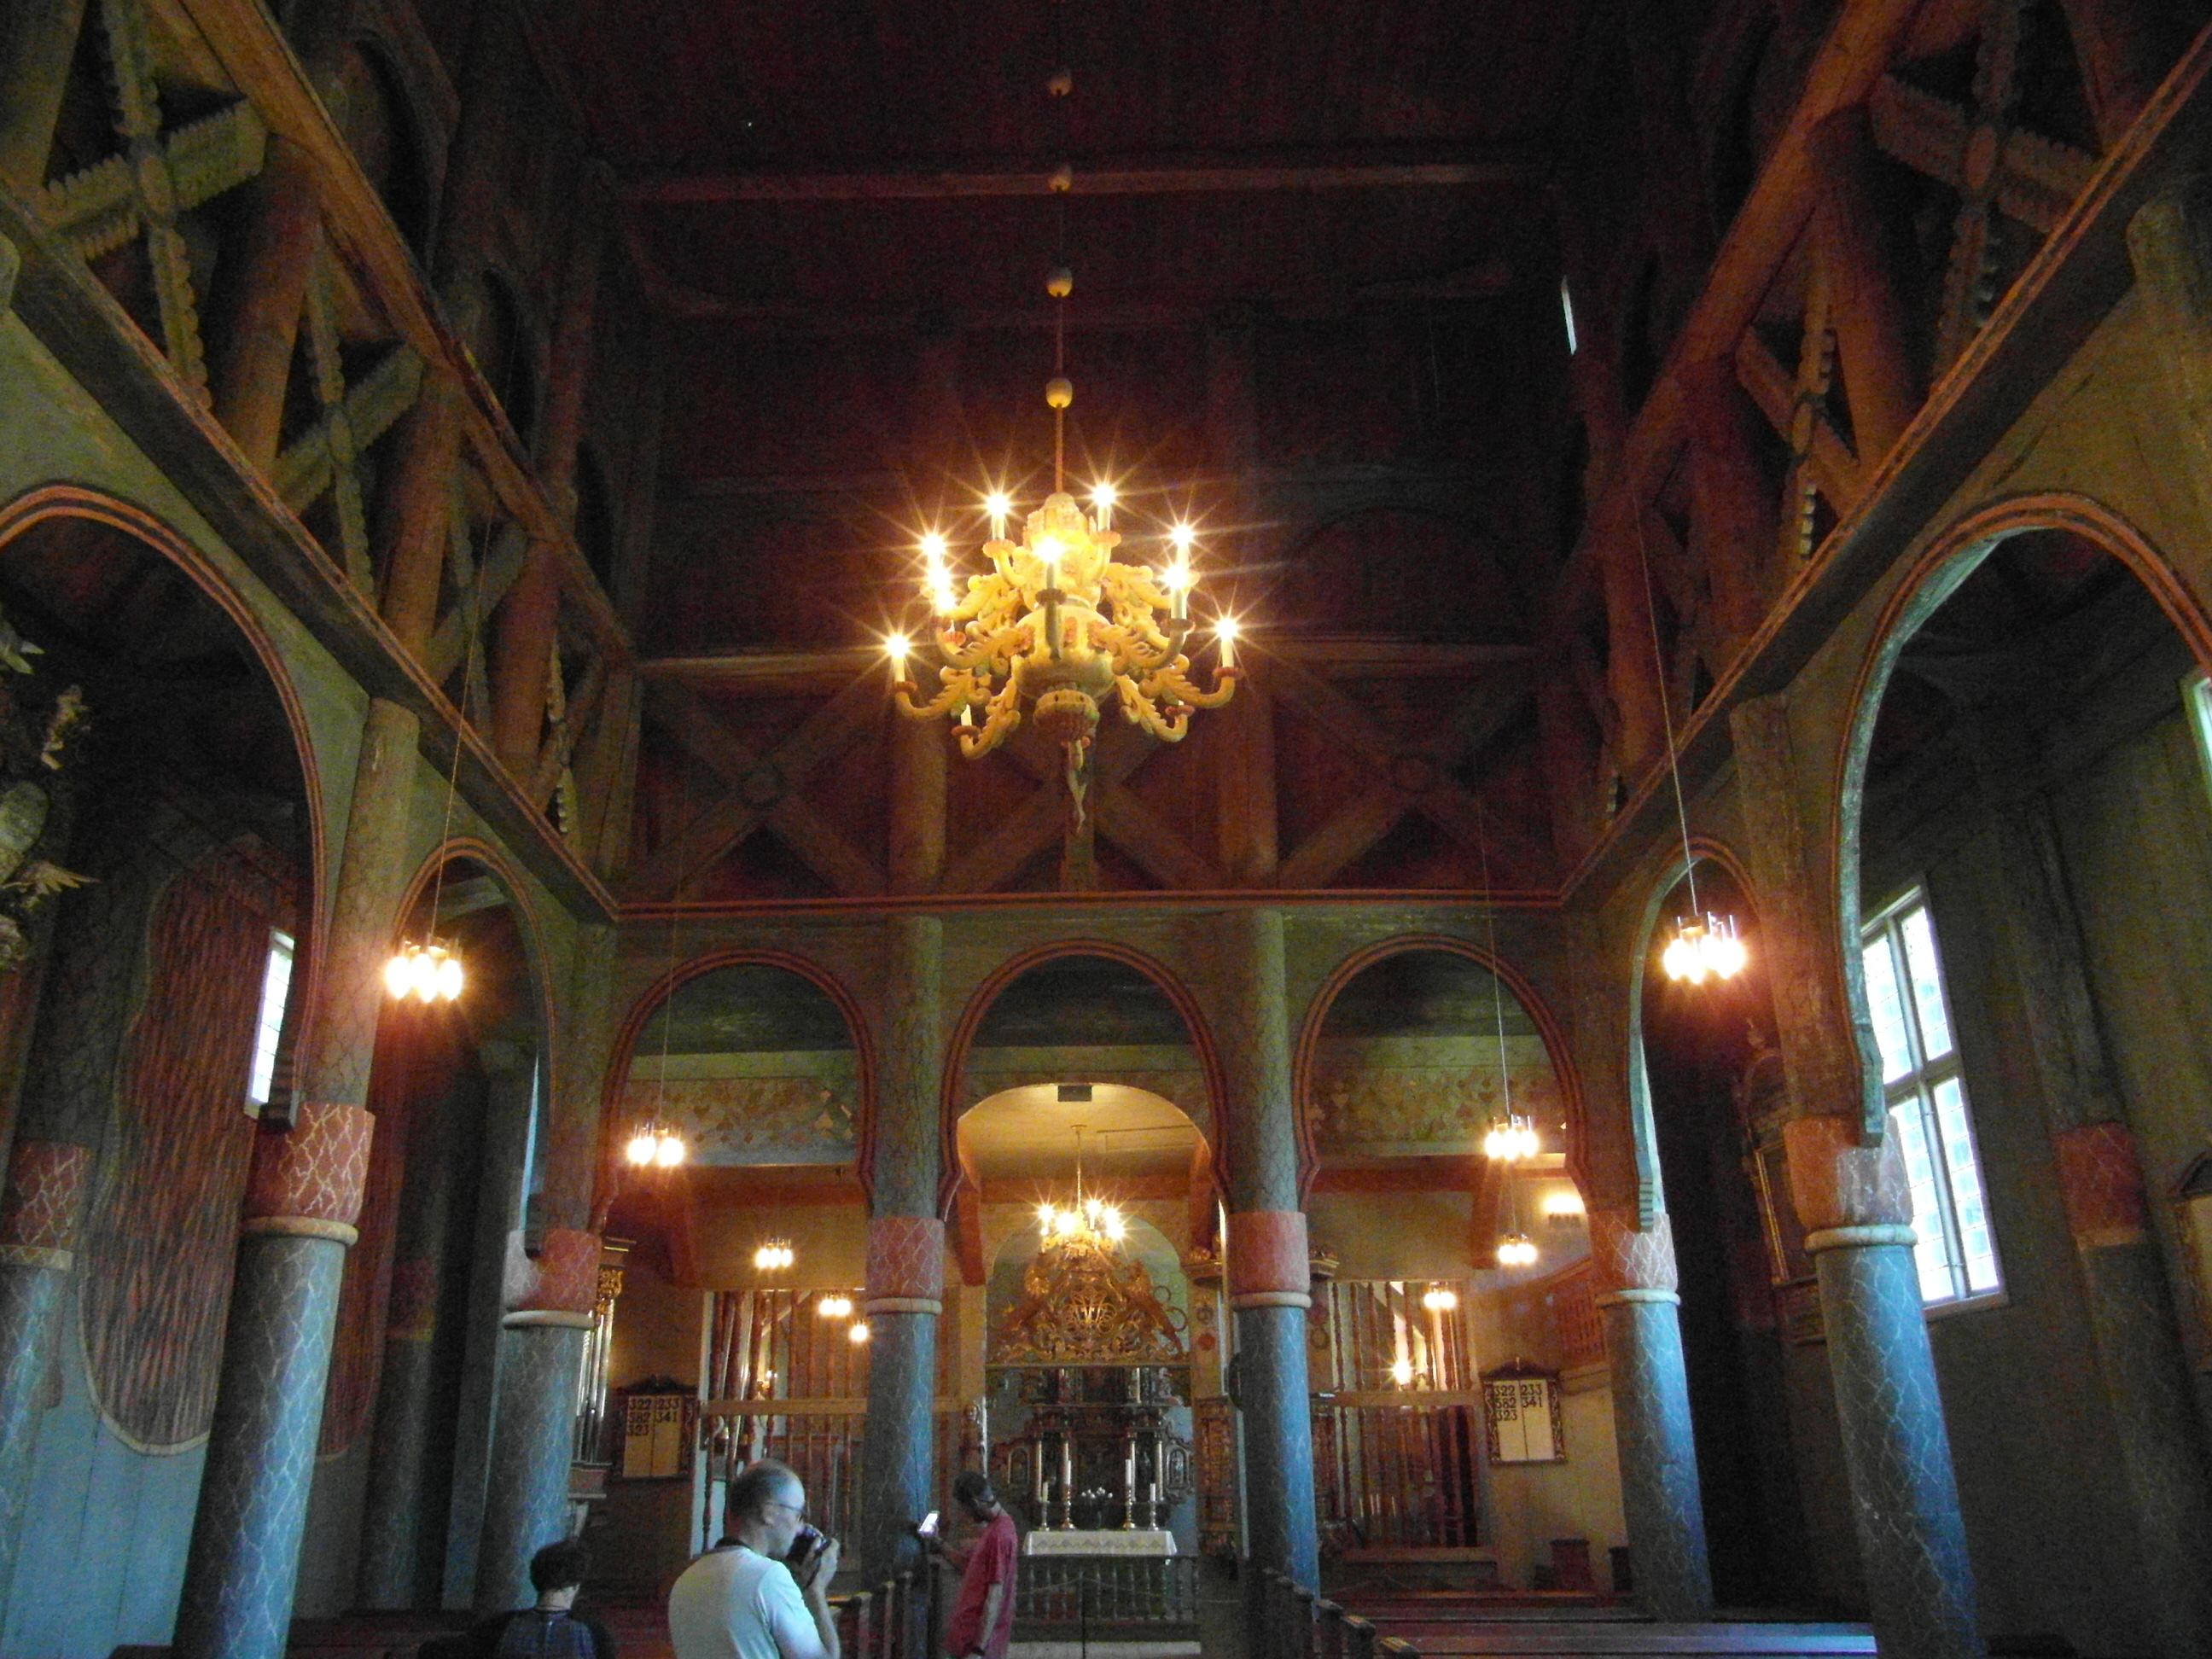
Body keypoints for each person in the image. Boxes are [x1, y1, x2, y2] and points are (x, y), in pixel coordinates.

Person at [669, 1458, 842, 1659]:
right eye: (798, 1516)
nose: (800, 1529)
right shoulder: (769, 1577)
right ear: (769, 1512)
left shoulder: (685, 1579)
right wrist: (815, 1588)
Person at [434, 1539, 616, 1658]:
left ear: (534, 1579)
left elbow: (437, 1650)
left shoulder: (499, 1626)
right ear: (575, 1586)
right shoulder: (596, 1634)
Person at [928, 1471, 1017, 1659]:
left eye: (964, 1509)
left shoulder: (998, 1536)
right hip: (965, 1639)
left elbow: (995, 1595)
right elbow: (968, 1567)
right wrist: (938, 1542)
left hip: (975, 1645)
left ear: (975, 1504)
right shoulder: (995, 1528)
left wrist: (978, 1649)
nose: (965, 1515)